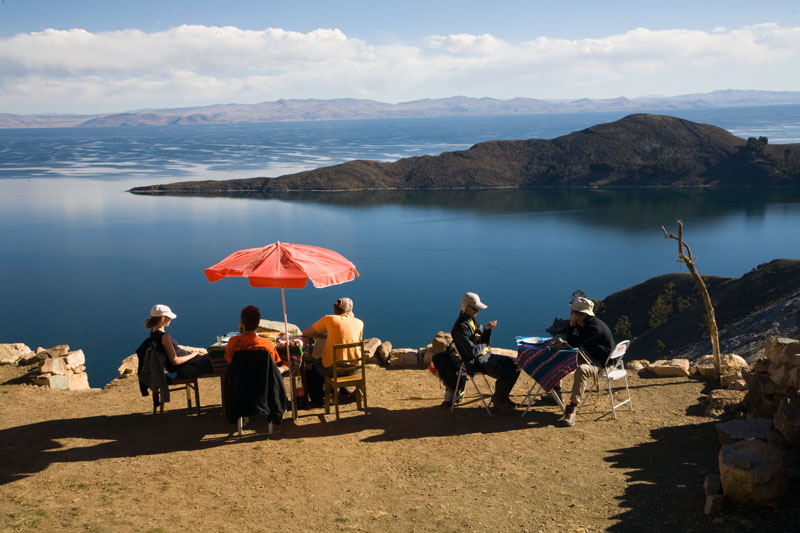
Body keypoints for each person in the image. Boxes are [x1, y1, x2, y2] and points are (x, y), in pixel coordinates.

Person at [451, 292, 520, 415]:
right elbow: (471, 352)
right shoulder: (461, 327)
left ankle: (501, 398)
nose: (478, 310)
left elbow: (483, 339)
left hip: (485, 356)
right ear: (466, 307)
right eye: (475, 308)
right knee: (504, 373)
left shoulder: (472, 320)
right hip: (476, 361)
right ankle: (500, 402)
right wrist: (483, 344)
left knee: (516, 365)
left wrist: (487, 330)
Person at [559, 296, 615, 427]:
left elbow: (574, 343)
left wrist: (572, 324)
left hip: (602, 364)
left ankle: (572, 408)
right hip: (592, 356)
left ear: (582, 314)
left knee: (581, 370)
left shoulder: (594, 328)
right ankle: (556, 391)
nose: (571, 313)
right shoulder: (583, 322)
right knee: (561, 357)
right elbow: (567, 333)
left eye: (573, 312)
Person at [302, 297, 364, 404]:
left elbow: (306, 333)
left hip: (333, 370)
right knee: (332, 363)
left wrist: (323, 336)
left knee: (313, 367)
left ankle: (321, 399)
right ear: (349, 312)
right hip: (355, 368)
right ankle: (343, 392)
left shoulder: (329, 319)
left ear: (335, 309)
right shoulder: (359, 323)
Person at [145, 304, 213, 379]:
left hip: (181, 367)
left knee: (213, 357)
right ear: (163, 318)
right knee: (215, 356)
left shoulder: (153, 333)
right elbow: (175, 361)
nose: (171, 319)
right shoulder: (164, 336)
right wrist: (193, 354)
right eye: (169, 317)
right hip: (185, 369)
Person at [224, 305, 289, 374]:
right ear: (258, 323)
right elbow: (274, 368)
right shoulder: (267, 345)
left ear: (242, 324)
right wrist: (285, 367)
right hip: (262, 383)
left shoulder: (232, 342)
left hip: (239, 383)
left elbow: (229, 360)